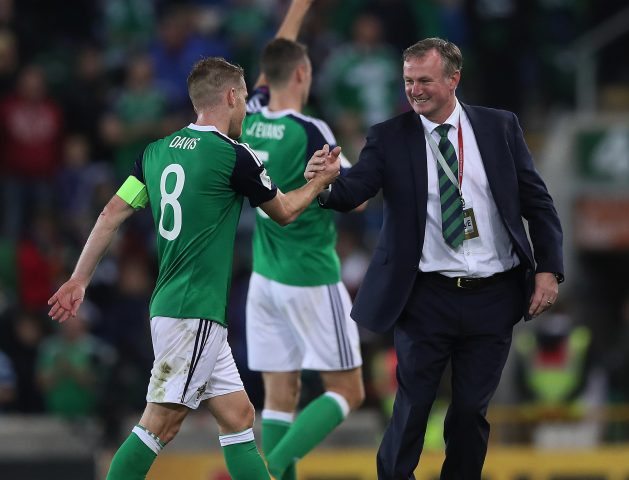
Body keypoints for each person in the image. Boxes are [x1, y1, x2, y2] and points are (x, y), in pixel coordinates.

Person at [48, 56, 340, 480]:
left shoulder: (155, 152)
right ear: (231, 96)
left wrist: (79, 278)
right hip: (194, 311)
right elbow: (285, 211)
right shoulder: (234, 156)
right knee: (159, 424)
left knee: (239, 416)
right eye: (242, 101)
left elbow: (110, 213)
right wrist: (319, 182)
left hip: (176, 307)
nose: (245, 110)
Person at [306, 37, 564, 479]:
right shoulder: (389, 137)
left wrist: (548, 269)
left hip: (494, 296)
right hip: (426, 296)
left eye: (424, 80)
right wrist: (325, 184)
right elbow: (356, 188)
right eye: (408, 81)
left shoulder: (500, 127)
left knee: (469, 414)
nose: (414, 90)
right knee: (411, 408)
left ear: (453, 79)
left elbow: (537, 204)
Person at [239, 1, 365, 478]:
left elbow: (276, 58)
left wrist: (298, 7)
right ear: (304, 74)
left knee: (279, 397)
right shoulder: (312, 131)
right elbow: (355, 198)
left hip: (264, 276)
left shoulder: (248, 115)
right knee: (349, 391)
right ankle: (267, 471)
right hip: (311, 275)